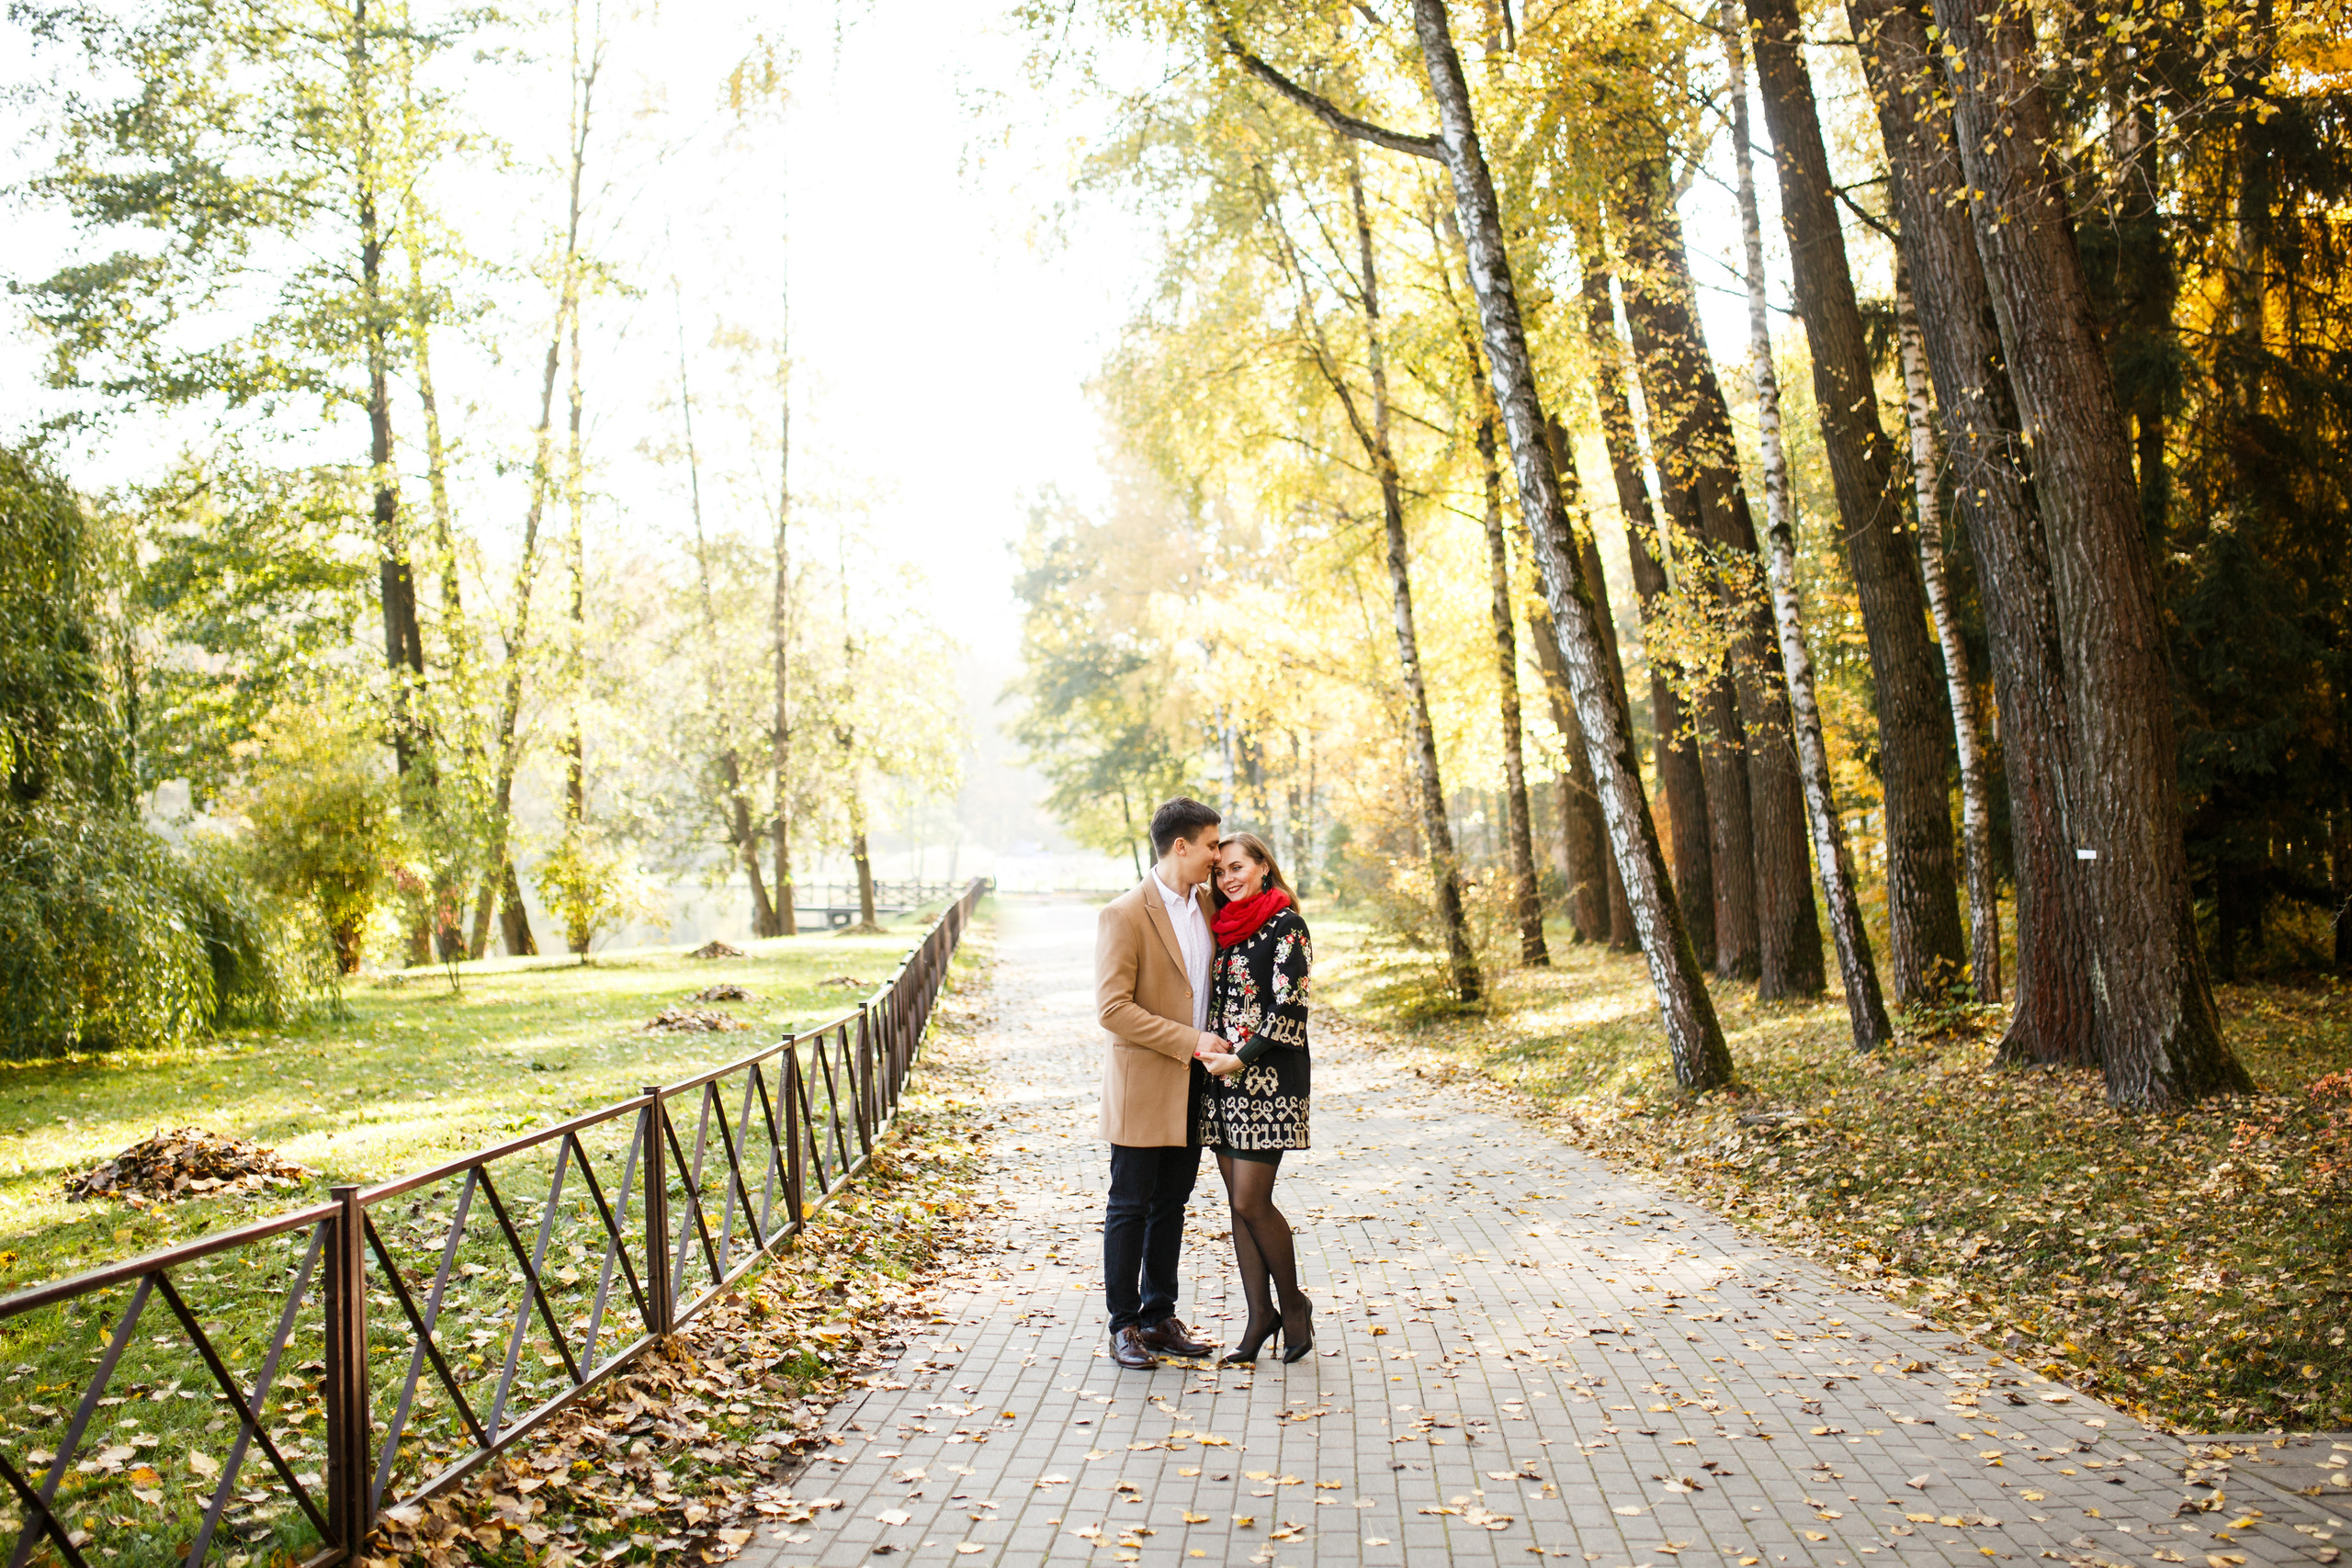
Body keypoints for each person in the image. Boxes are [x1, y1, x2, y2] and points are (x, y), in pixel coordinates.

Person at [1094, 796, 1227, 1371]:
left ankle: (1159, 1316)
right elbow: (1112, 1008)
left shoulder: (1208, 904)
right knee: (1130, 1205)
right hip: (1145, 1084)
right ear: (1181, 846)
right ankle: (1123, 1325)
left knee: (1172, 1204)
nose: (1218, 857)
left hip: (1196, 1086)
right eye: (1212, 845)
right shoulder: (1124, 914)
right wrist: (1190, 1040)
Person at [1193, 830, 1314, 1365]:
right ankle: (1257, 1314)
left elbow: (1290, 1009)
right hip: (1220, 1084)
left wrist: (1241, 1058)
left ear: (1264, 865)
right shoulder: (1224, 928)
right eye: (1220, 872)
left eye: (1238, 867)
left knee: (1250, 1201)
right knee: (1238, 1208)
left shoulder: (1287, 925)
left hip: (1268, 1083)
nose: (1228, 878)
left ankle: (1293, 1306)